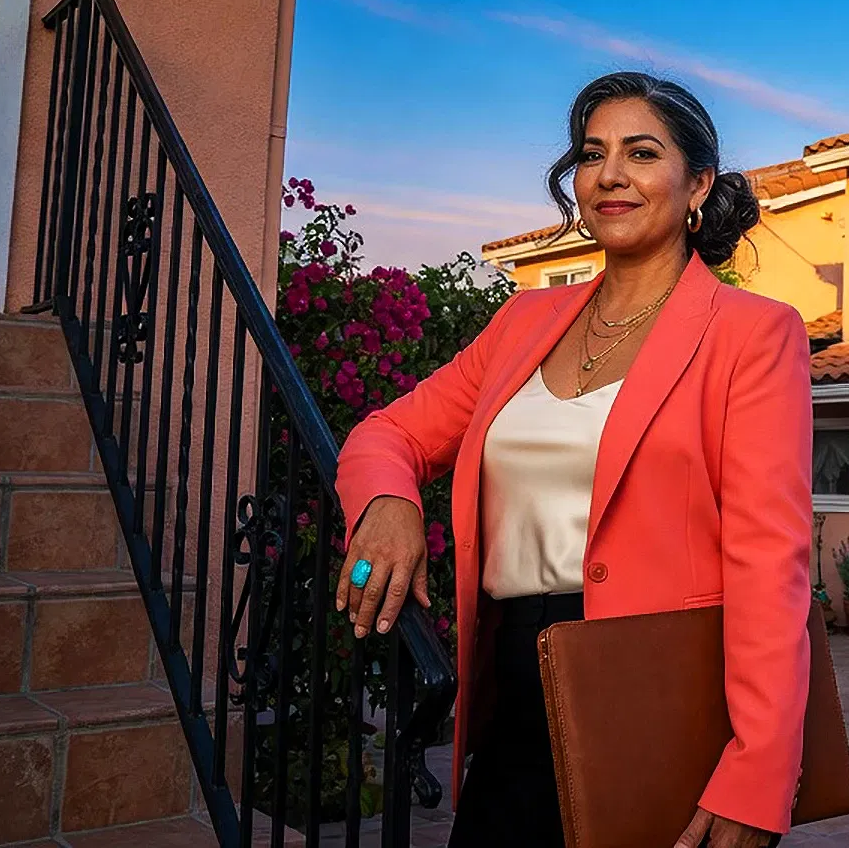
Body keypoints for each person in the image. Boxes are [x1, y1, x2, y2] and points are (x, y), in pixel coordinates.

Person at [332, 72, 813, 848]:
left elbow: (770, 561)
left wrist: (758, 774)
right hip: (514, 695)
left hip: (661, 704)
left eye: (642, 152)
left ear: (698, 185)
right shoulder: (527, 320)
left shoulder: (752, 334)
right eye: (592, 154)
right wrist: (388, 505)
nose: (610, 174)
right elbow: (389, 434)